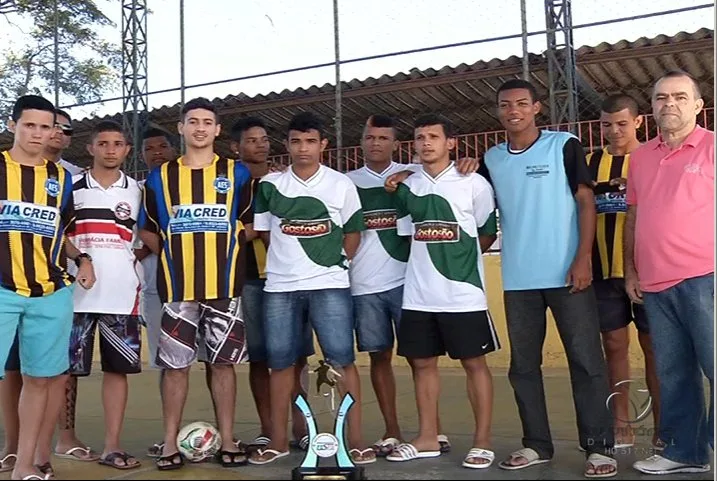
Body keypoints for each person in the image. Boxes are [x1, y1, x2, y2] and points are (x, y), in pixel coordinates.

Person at [484, 79, 616, 477]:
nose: (514, 111)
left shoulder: (563, 145)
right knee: (523, 366)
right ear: (499, 111)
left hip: (566, 274)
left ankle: (599, 448)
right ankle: (536, 444)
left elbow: (586, 201)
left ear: (537, 107)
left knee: (586, 361)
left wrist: (582, 259)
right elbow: (478, 207)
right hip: (518, 279)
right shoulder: (492, 158)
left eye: (522, 104)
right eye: (506, 105)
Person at [248, 112, 375, 466]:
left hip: (329, 286)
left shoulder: (341, 185)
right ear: (286, 145)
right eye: (296, 141)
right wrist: (289, 265)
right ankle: (277, 441)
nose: (303, 148)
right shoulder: (271, 186)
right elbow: (266, 233)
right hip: (280, 288)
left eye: (310, 142)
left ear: (323, 145)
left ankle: (355, 441)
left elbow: (354, 232)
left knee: (342, 361)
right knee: (281, 364)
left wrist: (336, 263)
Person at [348, 114, 477, 456]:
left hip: (409, 284)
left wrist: (469, 161)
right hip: (364, 286)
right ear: (361, 141)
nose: (376, 143)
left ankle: (432, 432)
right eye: (370, 137)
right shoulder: (346, 182)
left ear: (396, 143)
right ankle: (391, 431)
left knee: (423, 360)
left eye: (383, 138)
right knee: (379, 357)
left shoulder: (415, 174)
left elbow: (457, 177)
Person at [138, 97, 253, 471]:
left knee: (222, 365)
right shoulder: (161, 176)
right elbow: (148, 229)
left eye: (207, 122)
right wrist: (175, 252)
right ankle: (170, 440)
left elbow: (251, 223)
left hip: (225, 286)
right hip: (177, 288)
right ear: (182, 128)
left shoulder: (236, 173)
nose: (200, 127)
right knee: (176, 367)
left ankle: (229, 437)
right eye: (193, 121)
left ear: (217, 130)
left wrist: (225, 244)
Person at [384, 115, 500, 470]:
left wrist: (459, 263)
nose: (426, 143)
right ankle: (428, 437)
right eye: (419, 138)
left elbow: (486, 232)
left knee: (474, 364)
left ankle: (482, 442)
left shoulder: (474, 183)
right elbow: (408, 234)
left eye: (434, 136)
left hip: (463, 295)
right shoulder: (406, 187)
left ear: (451, 143)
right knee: (422, 364)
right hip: (418, 295)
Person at [0, 95, 95, 481]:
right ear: (13, 125)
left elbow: (61, 231)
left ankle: (25, 465)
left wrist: (82, 258)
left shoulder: (60, 179)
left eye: (46, 127)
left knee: (40, 379)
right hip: (3, 289)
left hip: (51, 292)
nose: (38, 134)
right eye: (30, 125)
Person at [627, 70, 713, 475]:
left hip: (706, 276)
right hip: (655, 283)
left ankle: (706, 443)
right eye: (662, 98)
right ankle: (685, 453)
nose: (670, 104)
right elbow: (635, 214)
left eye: (680, 96)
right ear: (653, 107)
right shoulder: (640, 156)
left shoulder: (713, 148)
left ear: (698, 105)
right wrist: (631, 270)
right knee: (674, 374)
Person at [228, 117, 312, 452]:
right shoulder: (229, 182)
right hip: (250, 278)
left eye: (264, 139)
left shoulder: (283, 180)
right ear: (236, 147)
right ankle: (268, 428)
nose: (261, 145)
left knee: (298, 357)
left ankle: (301, 427)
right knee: (261, 357)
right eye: (251, 140)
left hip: (291, 277)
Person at [63, 120, 143, 470]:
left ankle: (112, 445)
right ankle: (66, 439)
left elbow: (146, 240)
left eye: (118, 143)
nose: (111, 149)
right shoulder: (71, 187)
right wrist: (81, 260)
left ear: (127, 149)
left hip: (122, 295)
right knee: (64, 372)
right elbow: (56, 233)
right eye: (103, 143)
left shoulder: (139, 192)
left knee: (117, 371)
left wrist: (129, 263)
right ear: (90, 148)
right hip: (74, 295)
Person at [586, 93, 661, 450]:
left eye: (621, 123)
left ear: (638, 122)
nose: (613, 131)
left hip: (649, 272)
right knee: (613, 347)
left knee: (655, 349)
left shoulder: (654, 157)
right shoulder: (589, 162)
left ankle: (664, 427)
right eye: (605, 124)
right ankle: (621, 425)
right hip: (603, 271)